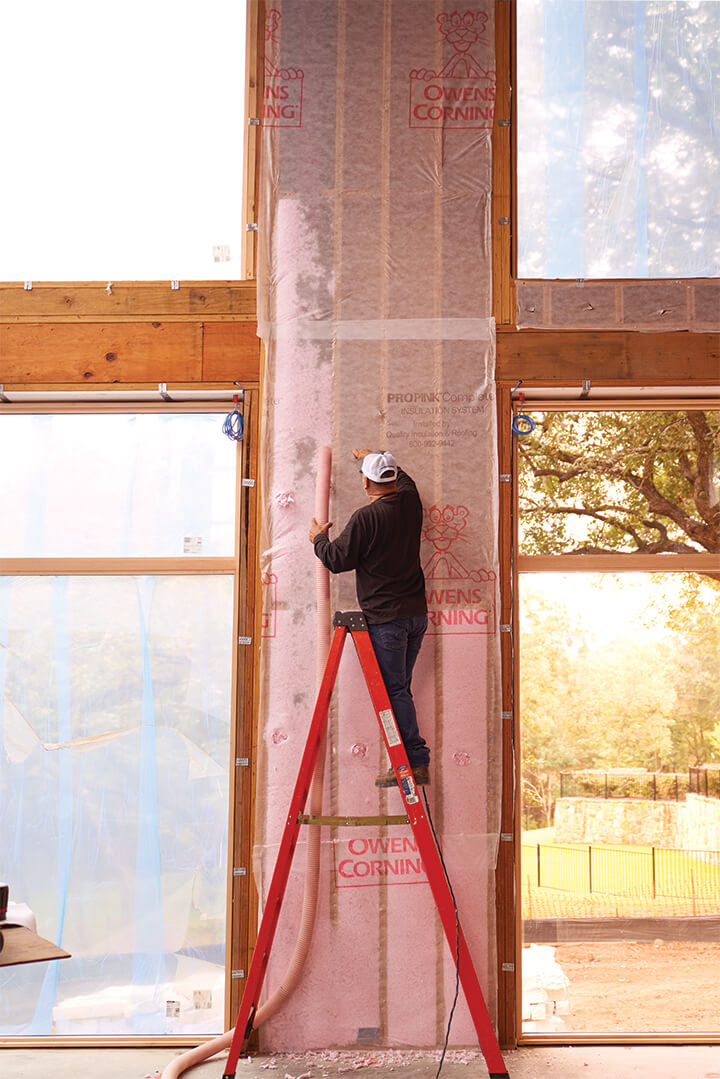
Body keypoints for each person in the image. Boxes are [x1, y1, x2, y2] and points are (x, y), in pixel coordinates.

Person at [308, 448, 430, 787]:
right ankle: (411, 761)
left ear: (365, 482)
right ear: (391, 478)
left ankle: (414, 761)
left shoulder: (366, 518)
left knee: (394, 693)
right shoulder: (409, 504)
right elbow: (407, 481)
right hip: (416, 616)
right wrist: (377, 456)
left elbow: (334, 559)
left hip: (387, 622)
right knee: (399, 690)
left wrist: (317, 537)